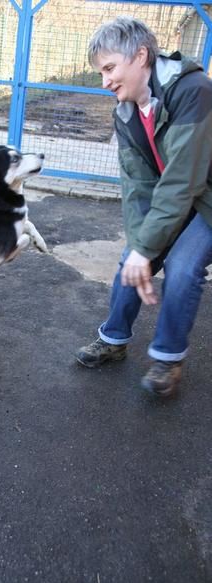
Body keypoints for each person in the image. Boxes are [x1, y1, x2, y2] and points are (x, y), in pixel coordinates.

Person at [76, 16, 212, 396]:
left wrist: (148, 248)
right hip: (181, 195)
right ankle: (114, 340)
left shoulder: (194, 91)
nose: (105, 82)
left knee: (184, 266)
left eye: (109, 68)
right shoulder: (126, 113)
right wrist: (141, 248)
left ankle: (167, 361)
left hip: (207, 198)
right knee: (131, 258)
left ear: (140, 55)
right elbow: (138, 187)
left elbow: (183, 180)